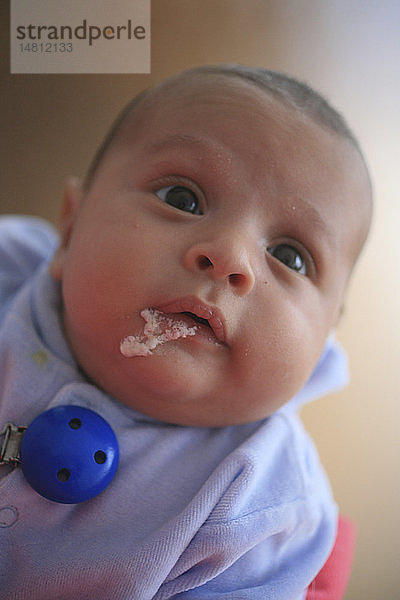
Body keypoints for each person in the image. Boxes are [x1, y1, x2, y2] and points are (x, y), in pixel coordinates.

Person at [0, 64, 372, 599]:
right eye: (182, 199)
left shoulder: (265, 504)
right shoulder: (10, 274)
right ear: (69, 229)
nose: (229, 257)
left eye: (290, 255)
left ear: (323, 343)